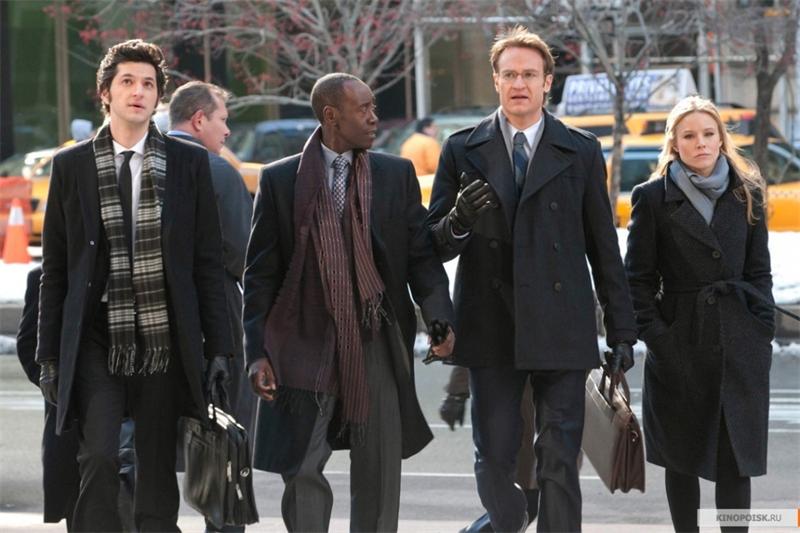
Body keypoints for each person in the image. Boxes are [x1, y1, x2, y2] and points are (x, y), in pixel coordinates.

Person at [426, 26, 637, 532]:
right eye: (510, 74)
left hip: (562, 325)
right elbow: (433, 245)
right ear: (495, 81)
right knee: (494, 456)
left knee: (559, 458)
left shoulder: (580, 149)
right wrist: (458, 219)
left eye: (529, 74)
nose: (519, 83)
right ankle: (509, 519)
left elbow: (603, 248)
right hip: (490, 323)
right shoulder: (461, 148)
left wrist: (623, 332)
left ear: (547, 83)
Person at [244, 72, 455, 532]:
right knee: (302, 465)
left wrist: (439, 316)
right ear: (331, 116)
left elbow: (420, 257)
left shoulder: (394, 174)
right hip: (304, 339)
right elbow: (260, 276)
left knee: (378, 468)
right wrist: (257, 352)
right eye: (364, 109)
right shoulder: (280, 180)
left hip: (375, 335)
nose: (375, 117)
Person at [36, 39, 233, 531]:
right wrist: (49, 356)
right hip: (96, 335)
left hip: (164, 334)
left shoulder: (187, 163)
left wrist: (219, 348)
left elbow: (207, 264)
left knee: (156, 465)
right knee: (100, 455)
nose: (138, 92)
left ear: (158, 97)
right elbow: (56, 270)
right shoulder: (71, 165)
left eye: (148, 84)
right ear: (105, 93)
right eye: (127, 81)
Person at [625, 95, 777, 533]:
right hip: (681, 342)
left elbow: (759, 271)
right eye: (689, 136)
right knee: (682, 460)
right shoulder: (653, 198)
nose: (701, 143)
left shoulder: (747, 193)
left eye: (709, 134)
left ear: (721, 138)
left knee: (736, 462)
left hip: (739, 343)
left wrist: (760, 330)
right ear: (674, 143)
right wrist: (661, 339)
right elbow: (637, 280)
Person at [167, 80, 255, 533]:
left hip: (153, 325)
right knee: (223, 450)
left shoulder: (144, 163)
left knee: (151, 452)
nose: (227, 132)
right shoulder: (218, 171)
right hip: (215, 320)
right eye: (222, 120)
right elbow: (245, 255)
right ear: (199, 119)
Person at [440, 366, 540, 533]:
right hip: (515, 398)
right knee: (524, 499)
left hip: (548, 395)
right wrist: (457, 391)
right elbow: (478, 349)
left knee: (530, 498)